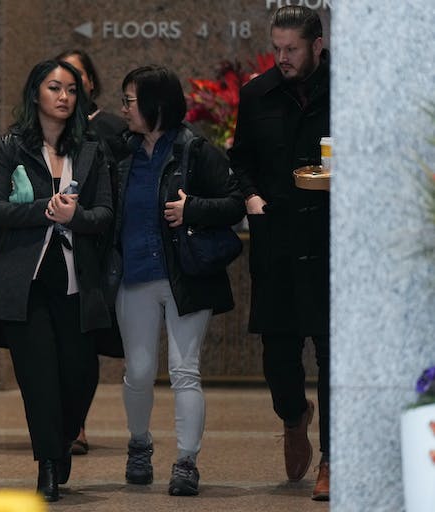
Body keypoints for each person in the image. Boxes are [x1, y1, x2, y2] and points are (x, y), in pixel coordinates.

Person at [0, 59, 113, 501]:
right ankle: (47, 466)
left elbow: (106, 215)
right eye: (54, 88)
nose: (63, 97)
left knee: (78, 375)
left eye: (71, 90)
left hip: (77, 282)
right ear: (35, 92)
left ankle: (61, 442)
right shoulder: (11, 146)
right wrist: (43, 211)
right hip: (25, 284)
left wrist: (77, 217)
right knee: (38, 379)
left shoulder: (91, 149)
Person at [111, 65, 244, 497]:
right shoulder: (120, 152)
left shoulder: (195, 150)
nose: (124, 109)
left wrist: (193, 210)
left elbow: (234, 203)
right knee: (139, 371)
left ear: (155, 105)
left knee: (185, 370)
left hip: (185, 276)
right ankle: (139, 444)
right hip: (134, 277)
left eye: (130, 100)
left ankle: (186, 462)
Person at [228, 5, 330, 501]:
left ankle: (333, 459)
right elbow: (239, 159)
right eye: (277, 49)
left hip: (333, 242)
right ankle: (294, 417)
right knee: (279, 359)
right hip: (277, 243)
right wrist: (250, 197)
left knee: (334, 356)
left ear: (317, 45)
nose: (283, 58)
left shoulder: (349, 90)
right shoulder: (257, 93)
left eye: (292, 50)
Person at [55, 48, 130, 457]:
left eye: (75, 77)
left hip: (98, 246)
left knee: (85, 341)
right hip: (53, 249)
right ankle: (64, 422)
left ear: (90, 82)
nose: (67, 88)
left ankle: (76, 420)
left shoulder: (113, 129)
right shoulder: (42, 133)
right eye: (57, 81)